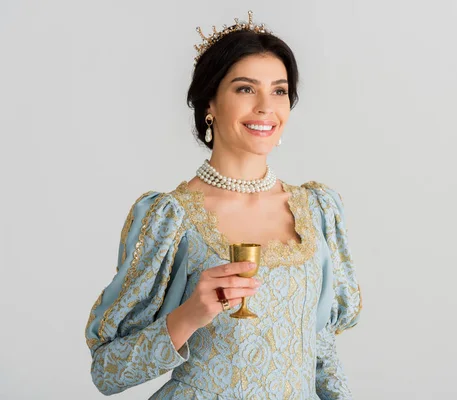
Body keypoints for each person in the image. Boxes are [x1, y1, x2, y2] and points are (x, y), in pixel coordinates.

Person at [84, 10, 362, 399]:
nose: (266, 106)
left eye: (279, 90)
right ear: (209, 103)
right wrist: (188, 315)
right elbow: (107, 373)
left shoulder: (316, 210)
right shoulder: (170, 219)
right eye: (245, 89)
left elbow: (321, 348)